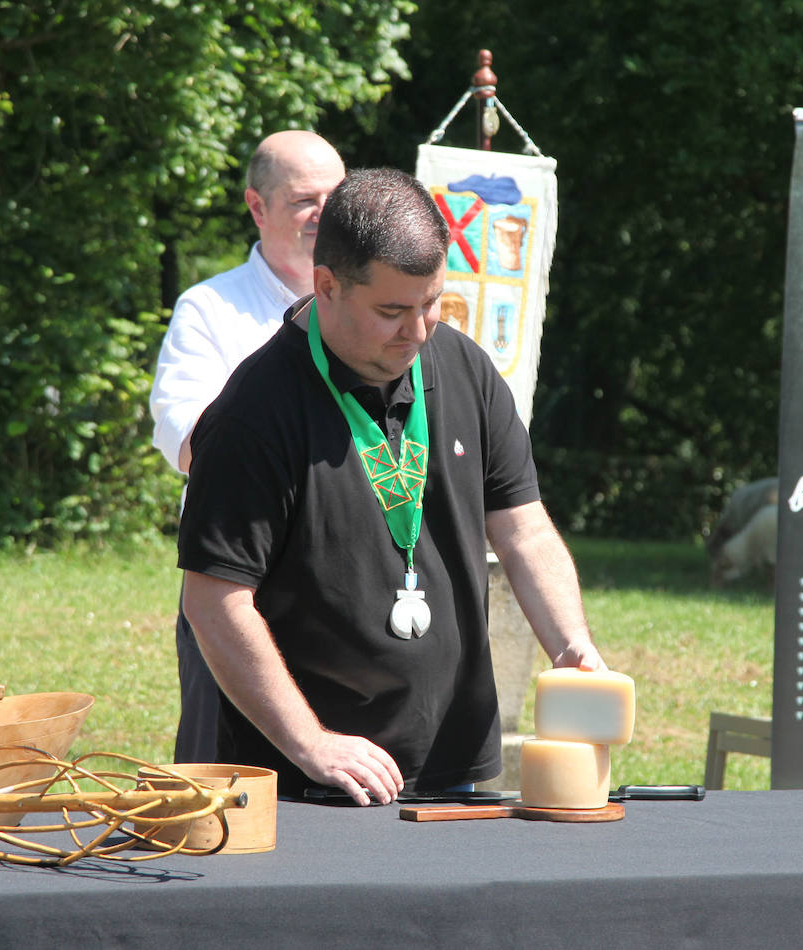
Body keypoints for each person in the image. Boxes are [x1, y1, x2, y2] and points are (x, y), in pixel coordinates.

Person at [177, 167, 605, 805]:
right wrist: (313, 743)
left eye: (431, 302)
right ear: (327, 286)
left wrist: (572, 647)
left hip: (453, 763)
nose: (419, 330)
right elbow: (214, 603)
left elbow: (524, 530)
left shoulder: (465, 369)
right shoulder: (253, 413)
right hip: (308, 783)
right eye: (391, 311)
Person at [150, 130, 346, 763]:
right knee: (222, 770)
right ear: (257, 207)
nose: (325, 213)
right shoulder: (211, 309)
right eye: (305, 200)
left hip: (354, 581)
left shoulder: (375, 309)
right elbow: (184, 436)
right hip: (239, 583)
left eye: (336, 196)